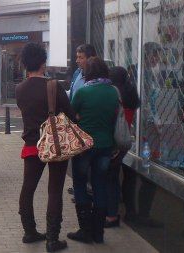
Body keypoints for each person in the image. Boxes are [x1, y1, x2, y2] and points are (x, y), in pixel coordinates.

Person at [15, 43, 75, 252]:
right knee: (54, 190)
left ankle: (29, 231)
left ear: (25, 64)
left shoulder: (20, 89)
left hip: (32, 145)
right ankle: (52, 239)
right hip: (55, 145)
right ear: (43, 62)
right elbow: (69, 114)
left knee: (27, 188)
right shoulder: (53, 86)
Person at [68, 57, 118, 244]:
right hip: (105, 146)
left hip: (84, 147)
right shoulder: (113, 92)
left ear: (88, 73)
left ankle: (85, 231)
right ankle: (99, 233)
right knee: (100, 185)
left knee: (80, 184)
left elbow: (71, 117)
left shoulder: (82, 92)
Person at [104, 66, 140, 228]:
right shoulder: (131, 93)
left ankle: (112, 211)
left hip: (115, 140)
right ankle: (128, 210)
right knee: (124, 177)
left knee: (111, 176)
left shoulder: (113, 94)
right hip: (127, 139)